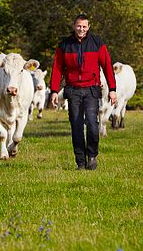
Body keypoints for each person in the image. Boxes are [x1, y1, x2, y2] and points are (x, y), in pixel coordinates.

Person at [49, 13, 117, 170]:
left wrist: (112, 89)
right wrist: (54, 90)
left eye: (84, 26)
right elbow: (57, 68)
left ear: (88, 27)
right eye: (78, 26)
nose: (81, 29)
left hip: (91, 90)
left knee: (93, 124)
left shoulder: (97, 43)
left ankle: (92, 156)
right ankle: (80, 161)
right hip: (73, 90)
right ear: (74, 26)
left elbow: (107, 66)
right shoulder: (64, 45)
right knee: (77, 126)